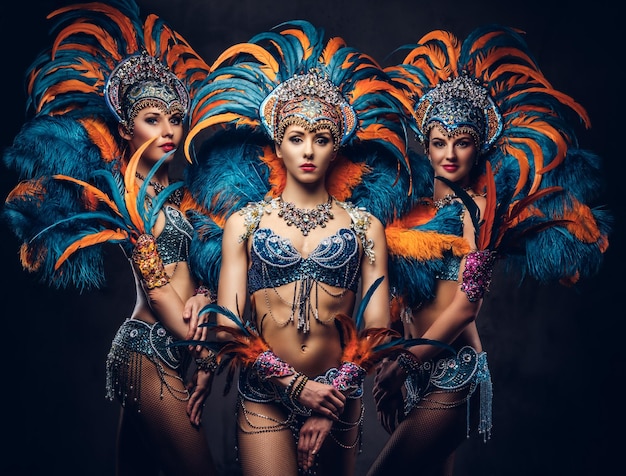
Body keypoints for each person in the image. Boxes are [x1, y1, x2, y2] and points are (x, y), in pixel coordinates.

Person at [368, 25, 612, 475]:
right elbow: (401, 295)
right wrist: (394, 366)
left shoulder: (482, 211)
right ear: (426, 142)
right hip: (415, 370)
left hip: (456, 372)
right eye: (440, 142)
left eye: (462, 142)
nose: (450, 154)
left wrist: (402, 364)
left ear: (477, 146)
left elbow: (465, 308)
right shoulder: (411, 208)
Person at [179, 20, 414, 476]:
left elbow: (377, 328)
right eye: (296, 138)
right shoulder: (244, 224)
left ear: (336, 148)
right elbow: (229, 326)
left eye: (321, 139)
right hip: (266, 394)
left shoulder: (366, 227)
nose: (308, 150)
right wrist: (295, 387)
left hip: (338, 398)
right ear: (279, 145)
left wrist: (327, 401)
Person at [2, 1, 217, 475]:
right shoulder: (125, 192)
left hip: (172, 353)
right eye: (152, 118)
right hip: (148, 350)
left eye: (174, 119)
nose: (167, 130)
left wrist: (205, 298)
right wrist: (204, 347)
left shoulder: (176, 192)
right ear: (126, 127)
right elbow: (160, 292)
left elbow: (195, 272)